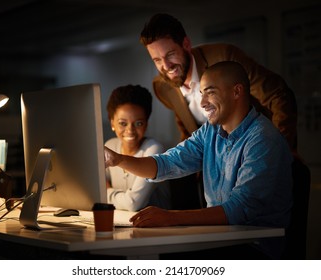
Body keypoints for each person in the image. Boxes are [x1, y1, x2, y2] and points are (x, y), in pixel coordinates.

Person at [104, 62, 293, 259]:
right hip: (218, 239)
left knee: (161, 259)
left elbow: (238, 210)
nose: (202, 103)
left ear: (237, 92)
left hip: (255, 249)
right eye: (201, 93)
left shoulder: (263, 138)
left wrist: (171, 217)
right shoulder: (210, 131)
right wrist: (118, 160)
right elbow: (166, 164)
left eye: (210, 92)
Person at [140, 13, 298, 153]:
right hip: (217, 167)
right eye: (157, 60)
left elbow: (277, 95)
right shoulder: (162, 87)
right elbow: (187, 127)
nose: (166, 66)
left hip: (258, 147)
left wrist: (280, 151)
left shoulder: (224, 57)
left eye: (170, 54)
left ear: (186, 44)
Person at [105, 84, 171, 212]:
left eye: (138, 123)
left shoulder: (154, 149)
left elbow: (133, 204)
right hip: (122, 224)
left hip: (158, 229)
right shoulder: (110, 146)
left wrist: (105, 192)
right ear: (112, 122)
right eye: (123, 123)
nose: (130, 130)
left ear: (146, 123)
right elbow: (93, 192)